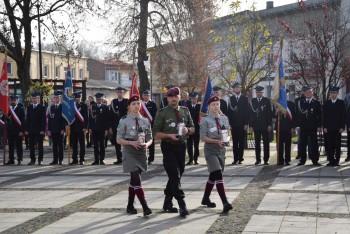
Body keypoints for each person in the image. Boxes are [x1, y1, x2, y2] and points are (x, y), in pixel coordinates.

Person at [153, 87, 195, 217]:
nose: (173, 98)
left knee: (177, 174)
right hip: (168, 146)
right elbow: (155, 133)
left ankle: (167, 202)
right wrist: (168, 136)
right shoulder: (162, 113)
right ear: (167, 98)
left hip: (181, 146)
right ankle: (182, 203)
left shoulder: (185, 110)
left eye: (176, 96)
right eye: (171, 96)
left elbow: (193, 128)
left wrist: (188, 130)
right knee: (174, 175)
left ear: (179, 98)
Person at [117, 95, 153, 216]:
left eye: (138, 103)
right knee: (136, 178)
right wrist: (131, 142)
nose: (136, 106)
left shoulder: (145, 121)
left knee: (134, 180)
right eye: (133, 104)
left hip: (141, 152)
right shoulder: (124, 120)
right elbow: (118, 139)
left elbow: (150, 138)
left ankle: (130, 205)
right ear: (129, 106)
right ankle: (145, 206)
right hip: (129, 151)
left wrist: (147, 144)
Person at [199, 96, 233, 213]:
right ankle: (225, 202)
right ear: (209, 106)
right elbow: (203, 137)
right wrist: (216, 141)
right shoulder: (205, 119)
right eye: (213, 105)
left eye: (217, 104)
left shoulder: (224, 118)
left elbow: (227, 133)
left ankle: (205, 198)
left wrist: (228, 140)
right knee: (218, 173)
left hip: (221, 150)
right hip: (211, 150)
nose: (216, 106)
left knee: (213, 175)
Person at [296, 86, 322, 166]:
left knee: (314, 144)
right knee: (303, 144)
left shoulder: (316, 103)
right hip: (303, 127)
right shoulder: (301, 102)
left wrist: (319, 126)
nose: (309, 93)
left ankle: (315, 160)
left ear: (312, 93)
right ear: (304, 93)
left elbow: (319, 116)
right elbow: (297, 115)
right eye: (307, 92)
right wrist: (297, 125)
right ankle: (302, 160)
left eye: (310, 92)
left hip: (313, 127)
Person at [249, 86, 272, 165]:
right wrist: (251, 126)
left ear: (263, 93)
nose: (259, 94)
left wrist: (269, 124)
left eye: (260, 92)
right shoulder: (253, 101)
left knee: (266, 143)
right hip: (256, 125)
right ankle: (258, 159)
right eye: (257, 92)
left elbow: (269, 113)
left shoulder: (267, 100)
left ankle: (266, 159)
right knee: (257, 143)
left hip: (265, 125)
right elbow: (250, 114)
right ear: (256, 93)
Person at [227, 82, 249, 164]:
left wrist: (246, 123)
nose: (236, 89)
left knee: (241, 141)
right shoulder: (231, 98)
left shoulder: (244, 98)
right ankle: (235, 158)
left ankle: (241, 158)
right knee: (235, 142)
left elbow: (247, 112)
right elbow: (229, 112)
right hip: (233, 124)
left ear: (241, 88)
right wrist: (229, 123)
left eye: (238, 87)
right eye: (235, 88)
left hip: (242, 124)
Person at [323, 87, 345, 166]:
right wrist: (324, 127)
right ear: (330, 94)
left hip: (338, 128)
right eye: (332, 93)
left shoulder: (341, 103)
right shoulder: (326, 103)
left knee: (337, 144)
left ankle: (337, 161)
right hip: (328, 128)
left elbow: (343, 116)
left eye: (335, 93)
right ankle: (331, 160)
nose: (333, 94)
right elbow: (324, 116)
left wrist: (342, 127)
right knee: (329, 145)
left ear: (337, 94)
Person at [275, 90, 296, 166]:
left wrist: (293, 127)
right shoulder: (277, 103)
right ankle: (280, 159)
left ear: (287, 95)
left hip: (288, 127)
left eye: (285, 94)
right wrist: (276, 112)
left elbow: (293, 116)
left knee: (288, 144)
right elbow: (272, 115)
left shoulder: (291, 104)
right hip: (279, 127)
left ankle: (287, 160)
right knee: (279, 144)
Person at [25, 92, 46, 165]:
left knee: (40, 146)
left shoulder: (42, 107)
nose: (33, 100)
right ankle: (32, 160)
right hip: (31, 130)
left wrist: (43, 130)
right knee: (31, 146)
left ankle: (40, 160)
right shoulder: (29, 107)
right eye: (32, 98)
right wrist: (26, 129)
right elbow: (27, 119)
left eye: (35, 98)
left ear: (38, 99)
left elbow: (43, 120)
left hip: (39, 130)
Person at [89, 93, 110, 165]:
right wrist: (90, 128)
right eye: (97, 99)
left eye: (99, 99)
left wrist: (107, 129)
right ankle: (96, 159)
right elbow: (90, 118)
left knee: (102, 145)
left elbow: (107, 119)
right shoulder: (93, 107)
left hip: (102, 129)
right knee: (95, 145)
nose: (98, 100)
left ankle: (101, 159)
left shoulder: (105, 108)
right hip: (94, 128)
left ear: (102, 99)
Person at [109, 86, 128, 165]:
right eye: (118, 92)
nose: (119, 93)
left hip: (125, 125)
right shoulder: (113, 102)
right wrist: (110, 126)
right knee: (117, 143)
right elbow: (111, 115)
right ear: (116, 93)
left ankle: (126, 159)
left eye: (121, 92)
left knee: (126, 143)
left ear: (123, 93)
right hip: (116, 125)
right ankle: (119, 159)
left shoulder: (126, 101)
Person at [5, 95, 25, 165]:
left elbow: (23, 121)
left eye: (14, 100)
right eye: (12, 100)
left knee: (19, 145)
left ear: (17, 101)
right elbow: (6, 118)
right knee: (11, 146)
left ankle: (19, 159)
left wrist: (22, 131)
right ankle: (11, 159)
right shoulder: (9, 109)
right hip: (10, 130)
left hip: (18, 131)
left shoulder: (20, 109)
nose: (13, 102)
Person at [48, 91, 66, 165]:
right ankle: (55, 160)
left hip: (60, 129)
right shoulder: (51, 108)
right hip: (53, 129)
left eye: (57, 97)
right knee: (54, 146)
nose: (56, 99)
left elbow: (64, 120)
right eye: (55, 97)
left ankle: (60, 159)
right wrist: (49, 130)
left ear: (60, 98)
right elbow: (49, 120)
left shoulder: (62, 107)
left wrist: (63, 129)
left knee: (60, 145)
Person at [70, 91, 88, 165]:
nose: (77, 99)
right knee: (74, 145)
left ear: (80, 98)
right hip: (73, 128)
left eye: (78, 98)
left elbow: (86, 117)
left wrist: (85, 127)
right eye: (76, 98)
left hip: (81, 128)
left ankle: (82, 159)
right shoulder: (71, 106)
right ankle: (74, 159)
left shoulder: (83, 105)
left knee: (82, 145)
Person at [141, 90, 158, 165]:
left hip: (150, 126)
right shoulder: (140, 104)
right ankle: (142, 158)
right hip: (141, 126)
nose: (146, 96)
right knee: (142, 142)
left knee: (151, 142)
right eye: (145, 95)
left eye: (147, 95)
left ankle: (151, 158)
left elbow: (155, 115)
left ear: (149, 96)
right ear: (142, 96)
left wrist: (154, 125)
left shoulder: (153, 104)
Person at [186, 92, 201, 165]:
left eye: (194, 98)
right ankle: (190, 159)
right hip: (189, 129)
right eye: (192, 99)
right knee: (189, 145)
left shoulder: (200, 107)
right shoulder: (187, 107)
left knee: (196, 145)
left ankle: (196, 159)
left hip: (197, 128)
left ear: (197, 98)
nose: (193, 100)